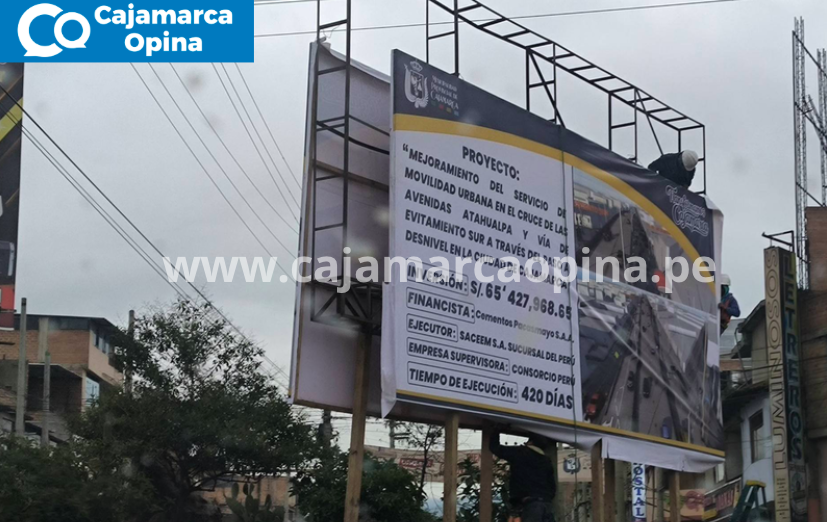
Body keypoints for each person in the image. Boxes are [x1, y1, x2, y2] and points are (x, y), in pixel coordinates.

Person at [489, 427, 556, 522]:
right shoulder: (547, 462)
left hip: (530, 505)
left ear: (530, 442)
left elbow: (495, 447)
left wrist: (497, 429)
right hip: (546, 505)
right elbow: (552, 488)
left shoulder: (520, 453)